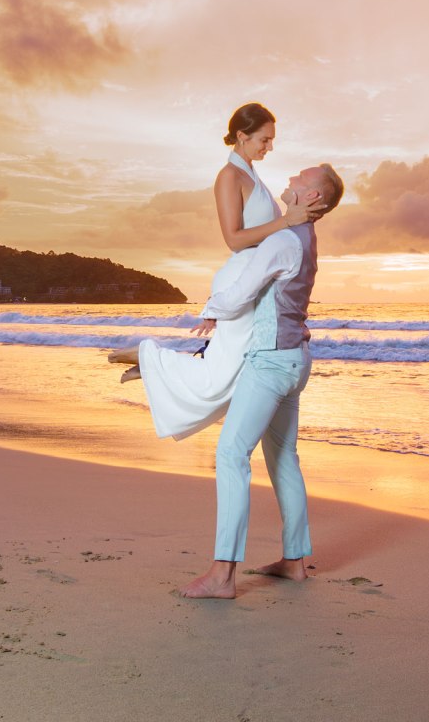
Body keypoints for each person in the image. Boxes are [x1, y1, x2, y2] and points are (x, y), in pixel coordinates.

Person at [178, 162, 344, 600]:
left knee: (231, 453)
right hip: (297, 362)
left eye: (299, 181)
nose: (289, 181)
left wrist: (211, 308)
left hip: (271, 363)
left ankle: (222, 575)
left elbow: (242, 292)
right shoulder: (306, 239)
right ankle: (294, 563)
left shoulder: (284, 239)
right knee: (284, 457)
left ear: (311, 198)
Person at [108, 103, 321, 440]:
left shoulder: (251, 174)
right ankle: (150, 360)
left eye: (271, 141)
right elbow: (233, 239)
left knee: (234, 370)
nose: (270, 147)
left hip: (251, 280)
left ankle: (153, 367)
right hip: (241, 274)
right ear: (242, 136)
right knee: (222, 374)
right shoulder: (228, 177)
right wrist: (285, 221)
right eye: (264, 140)